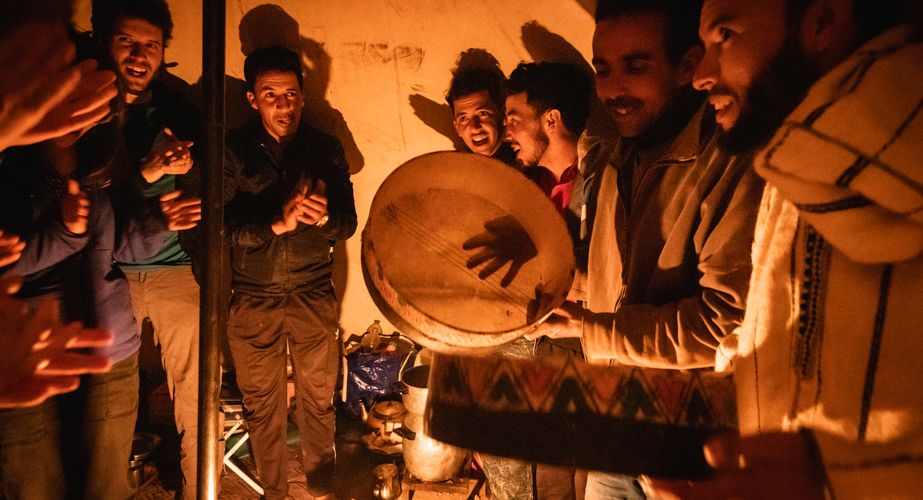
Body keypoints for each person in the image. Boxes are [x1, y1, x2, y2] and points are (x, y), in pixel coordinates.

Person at [646, 0, 922, 498]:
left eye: (724, 35)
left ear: (822, 22)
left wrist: (835, 485)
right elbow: (792, 338)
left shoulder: (899, 122)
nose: (701, 76)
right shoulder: (794, 165)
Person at [532, 0, 766, 496]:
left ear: (688, 66)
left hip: (690, 449)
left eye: (636, 67)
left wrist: (593, 330)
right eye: (603, 70)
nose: (614, 89)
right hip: (618, 426)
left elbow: (725, 325)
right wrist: (546, 275)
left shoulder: (728, 158)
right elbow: (623, 280)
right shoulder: (620, 156)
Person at [224, 46, 357, 500]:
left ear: (302, 96)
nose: (283, 105)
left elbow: (348, 223)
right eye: (270, 95)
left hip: (312, 291)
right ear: (252, 99)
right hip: (253, 297)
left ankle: (321, 488)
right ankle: (275, 493)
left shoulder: (324, 148)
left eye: (291, 94)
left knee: (319, 400)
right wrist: (273, 224)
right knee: (263, 406)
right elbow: (220, 229)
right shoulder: (234, 150)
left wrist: (323, 217)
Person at [91, 1, 203, 496]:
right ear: (104, 42)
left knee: (194, 390)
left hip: (176, 267)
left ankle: (199, 489)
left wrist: (188, 169)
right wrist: (149, 169)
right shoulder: (90, 111)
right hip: (110, 272)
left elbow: (213, 180)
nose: (139, 56)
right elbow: (88, 194)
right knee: (109, 397)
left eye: (151, 45)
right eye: (127, 42)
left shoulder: (179, 108)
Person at [446, 63, 517, 165]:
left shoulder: (523, 161)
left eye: (482, 113)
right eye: (463, 118)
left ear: (502, 115)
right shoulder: (459, 168)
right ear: (457, 128)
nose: (475, 127)